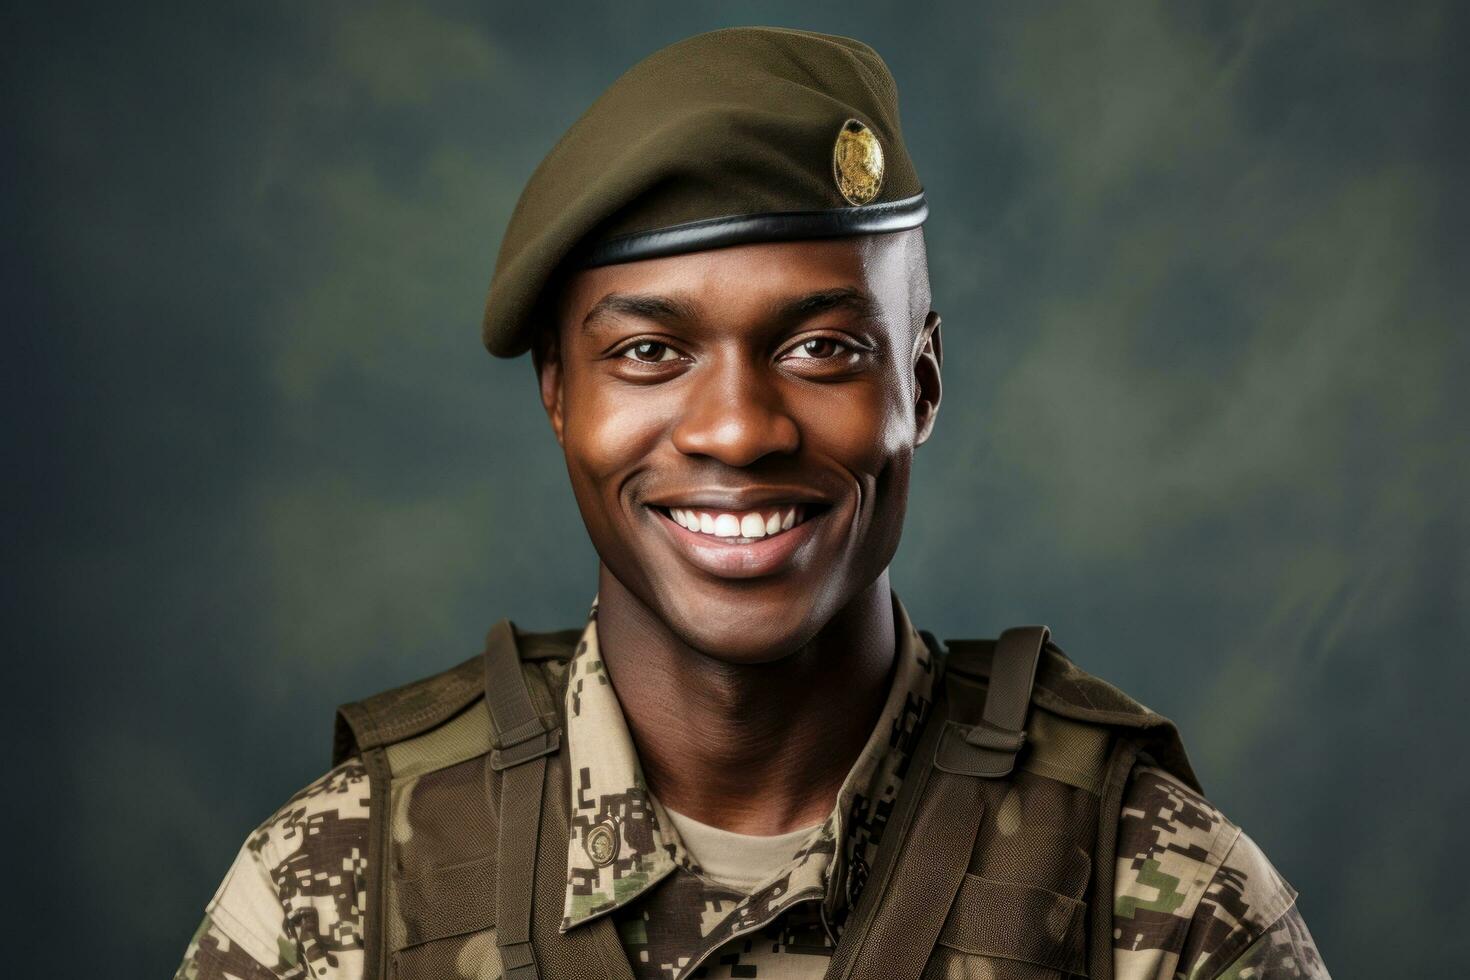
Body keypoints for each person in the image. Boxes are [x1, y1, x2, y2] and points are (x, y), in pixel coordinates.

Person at [175, 27, 1328, 980]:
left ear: (919, 384)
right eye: (649, 351)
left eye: (822, 346)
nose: (736, 429)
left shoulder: (1160, 894)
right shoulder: (340, 888)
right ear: (558, 393)